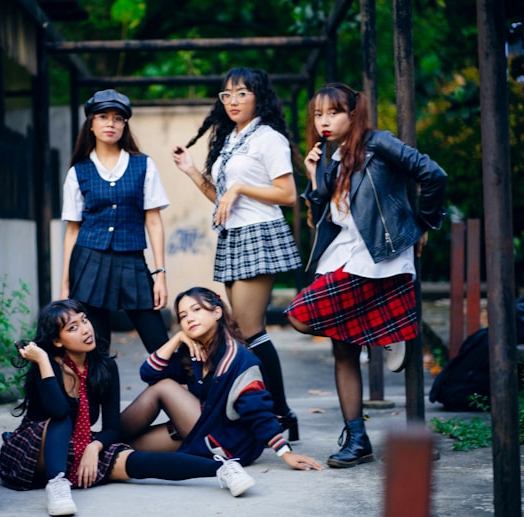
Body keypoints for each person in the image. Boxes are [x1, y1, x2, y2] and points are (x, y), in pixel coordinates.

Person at [285, 82, 447, 468]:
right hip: (344, 252)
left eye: (333, 113)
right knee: (342, 347)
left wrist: (422, 223)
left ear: (353, 114)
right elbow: (323, 215)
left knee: (299, 314)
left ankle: (387, 331)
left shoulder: (378, 143)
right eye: (318, 115)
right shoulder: (327, 156)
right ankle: (357, 438)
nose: (323, 121)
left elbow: (433, 174)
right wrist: (313, 178)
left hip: (380, 254)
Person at [0, 299, 264, 517]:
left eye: (84, 320)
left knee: (136, 461)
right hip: (33, 454)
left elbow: (113, 428)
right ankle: (57, 484)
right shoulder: (48, 365)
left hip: (77, 446)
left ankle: (222, 469)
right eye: (73, 327)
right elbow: (57, 412)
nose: (86, 329)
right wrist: (43, 360)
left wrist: (95, 446)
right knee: (62, 419)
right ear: (57, 341)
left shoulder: (103, 367)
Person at [171, 68, 302, 440]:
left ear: (258, 96)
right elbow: (222, 202)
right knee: (241, 333)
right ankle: (258, 411)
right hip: (234, 235)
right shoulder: (231, 139)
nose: (232, 101)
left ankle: (281, 413)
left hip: (260, 234)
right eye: (226, 95)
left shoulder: (268, 138)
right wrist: (193, 172)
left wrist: (240, 187)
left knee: (250, 330)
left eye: (241, 93)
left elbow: (288, 194)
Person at [119, 287, 324, 472]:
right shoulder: (194, 351)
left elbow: (258, 411)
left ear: (217, 312)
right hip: (200, 428)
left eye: (196, 309)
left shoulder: (239, 359)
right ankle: (98, 445)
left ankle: (102, 437)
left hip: (227, 441)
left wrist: (285, 453)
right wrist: (176, 339)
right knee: (127, 448)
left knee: (164, 387)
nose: (189, 318)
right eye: (183, 316)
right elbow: (148, 374)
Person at [60, 89, 169, 354]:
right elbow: (73, 229)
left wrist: (160, 275)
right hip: (88, 262)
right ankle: (102, 397)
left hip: (131, 260)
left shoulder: (143, 165)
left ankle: (178, 393)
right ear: (92, 124)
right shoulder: (78, 171)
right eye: (103, 116)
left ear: (125, 125)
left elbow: (153, 221)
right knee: (96, 350)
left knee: (159, 343)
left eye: (118, 118)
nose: (111, 123)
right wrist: (65, 284)